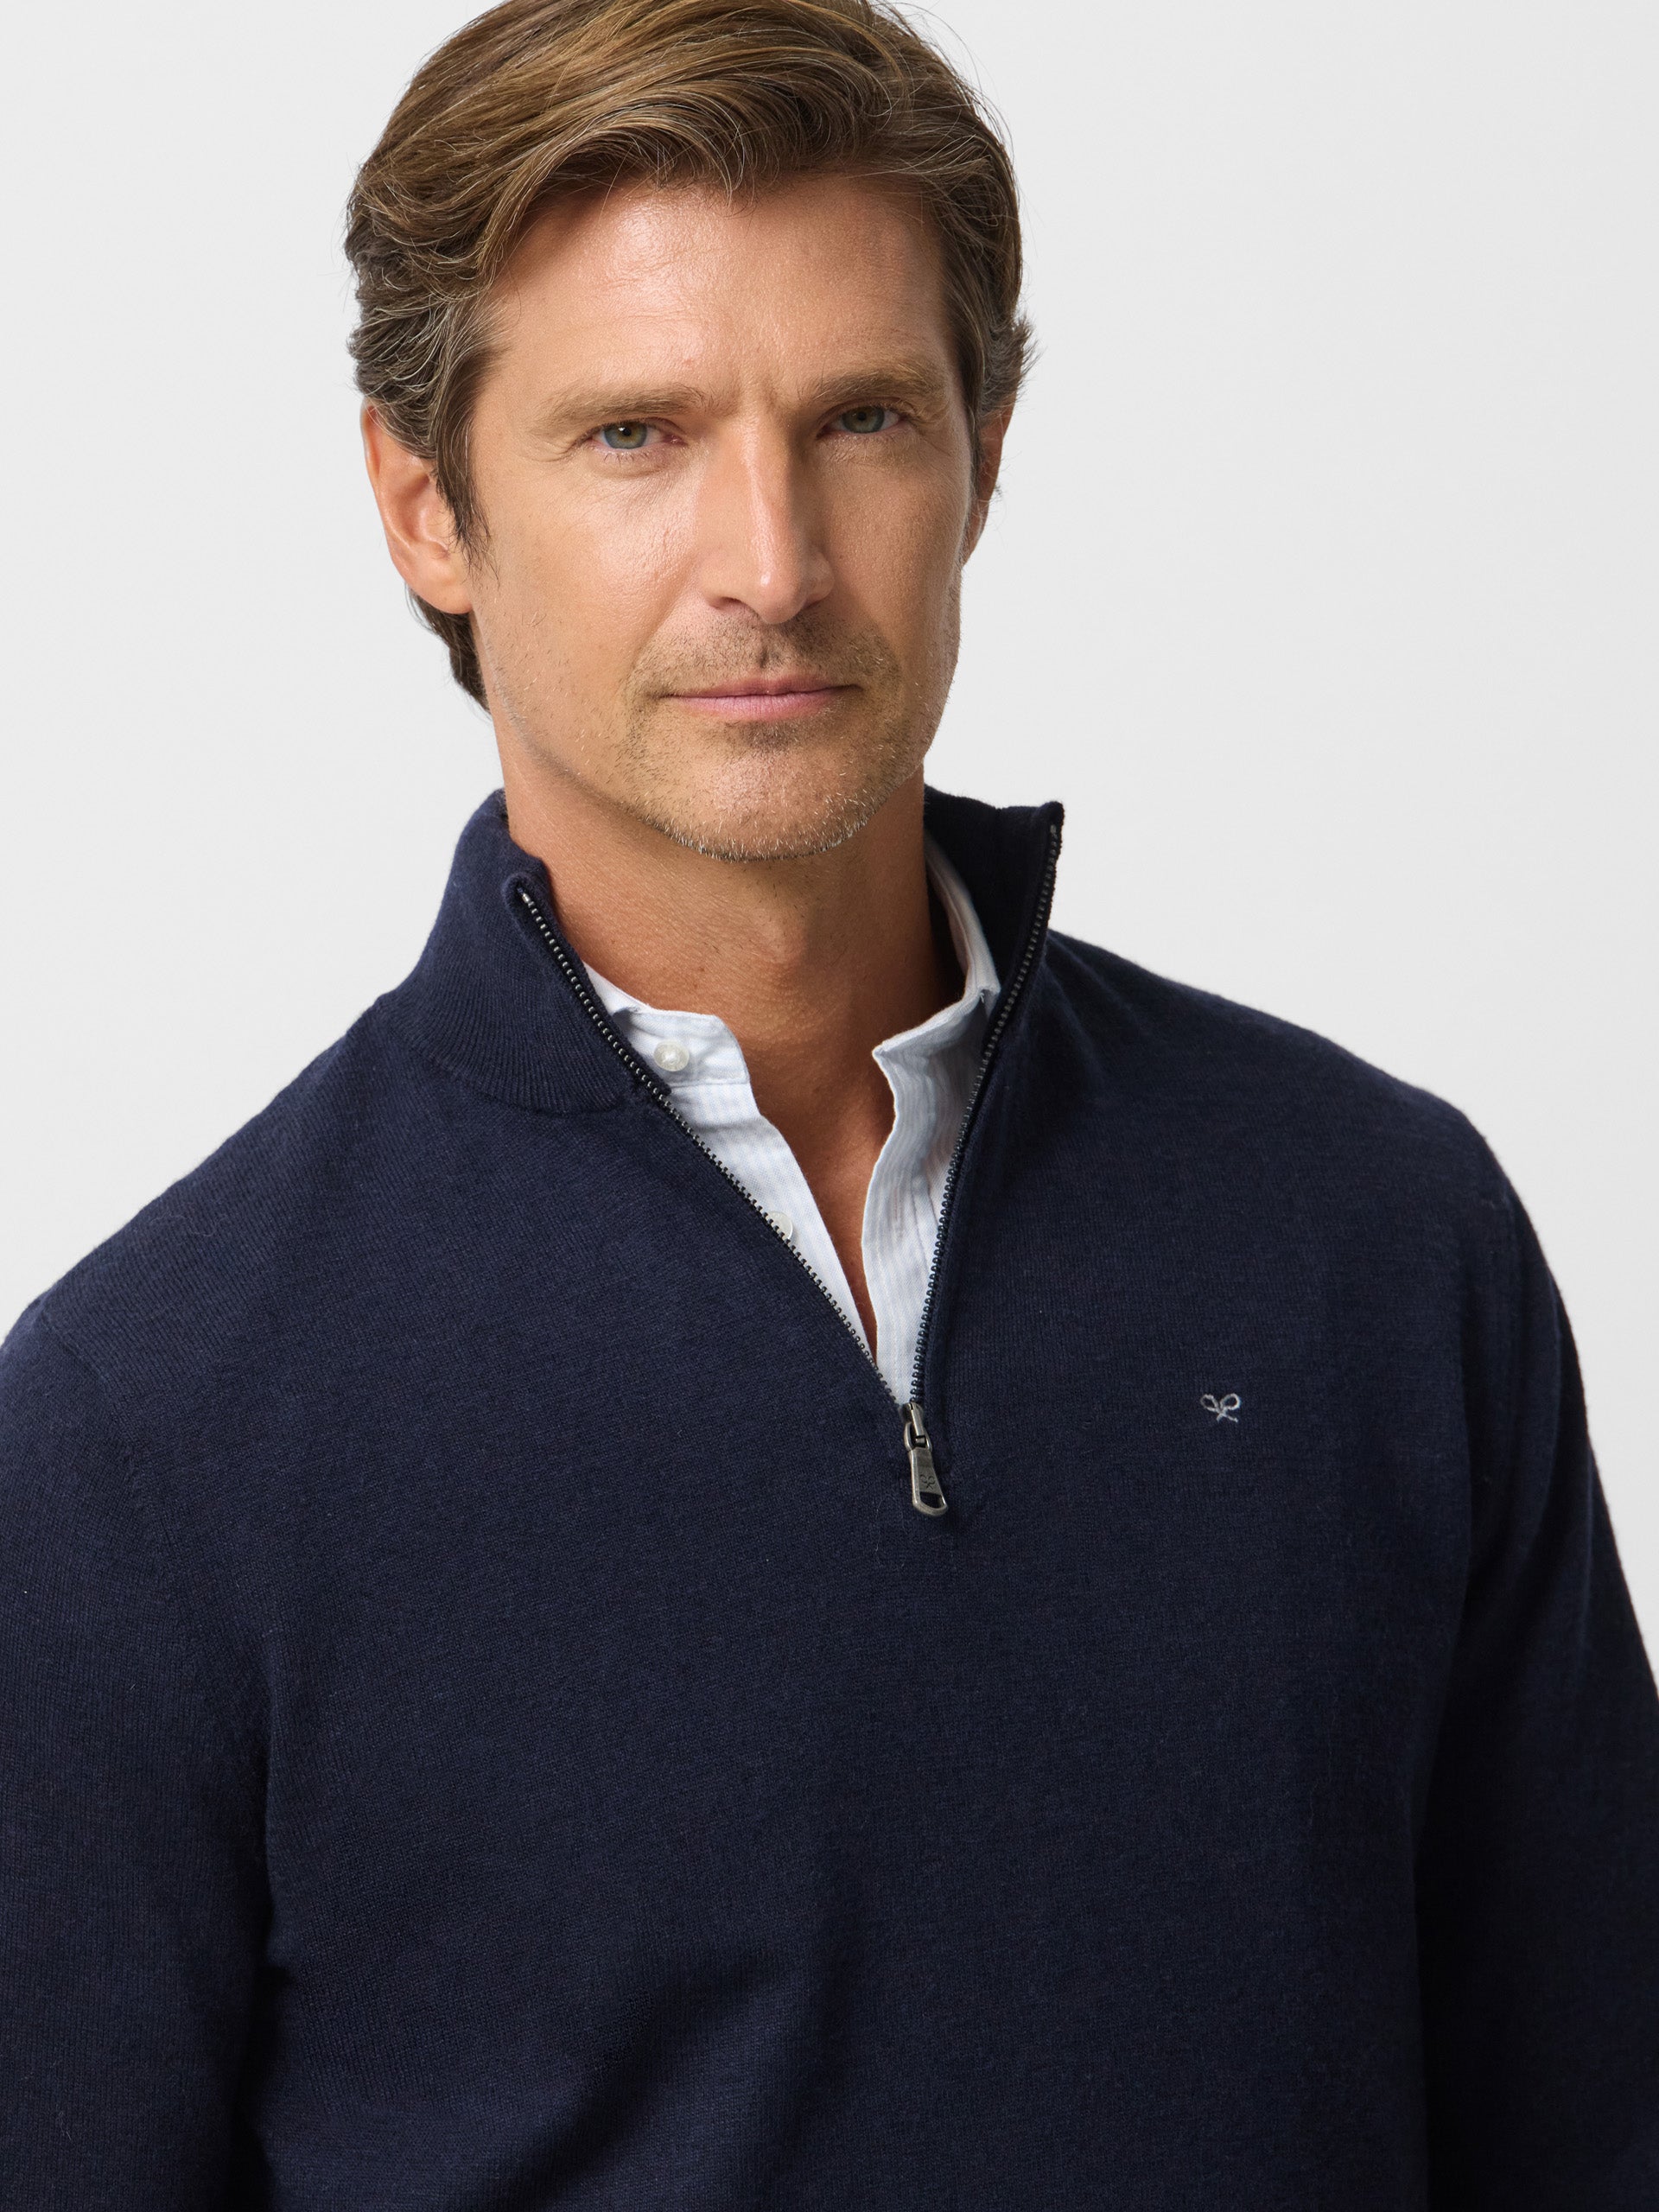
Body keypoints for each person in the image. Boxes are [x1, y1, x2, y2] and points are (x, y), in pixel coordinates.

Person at [3, 0, 1656, 2201]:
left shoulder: (1380, 1238)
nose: (771, 561)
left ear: (986, 450)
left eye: (862, 417)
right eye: (637, 434)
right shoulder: (148, 1428)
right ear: (425, 507)